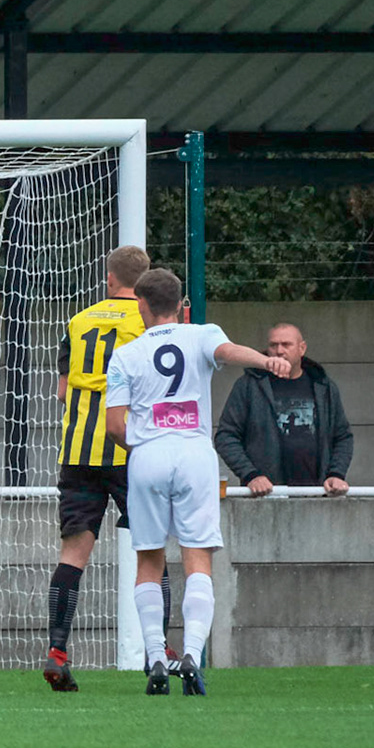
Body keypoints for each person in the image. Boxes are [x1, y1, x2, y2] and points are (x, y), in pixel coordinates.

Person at [104, 269, 291, 696]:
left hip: (148, 456)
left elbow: (116, 427)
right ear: (181, 306)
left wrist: (147, 445)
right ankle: (191, 654)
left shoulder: (126, 356)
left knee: (149, 561)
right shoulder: (201, 334)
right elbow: (229, 350)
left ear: (142, 307)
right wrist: (268, 361)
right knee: (197, 559)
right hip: (194, 455)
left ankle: (154, 658)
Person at [41, 244, 150, 692]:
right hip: (130, 450)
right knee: (151, 553)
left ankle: (57, 650)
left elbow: (65, 392)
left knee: (73, 554)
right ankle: (157, 655)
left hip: (78, 452)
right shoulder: (151, 323)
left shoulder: (79, 320)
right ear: (144, 283)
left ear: (109, 278)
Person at [215, 322, 355, 499]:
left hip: (318, 495)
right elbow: (226, 437)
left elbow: (343, 437)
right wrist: (251, 475)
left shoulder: (324, 387)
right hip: (265, 497)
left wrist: (336, 474)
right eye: (273, 345)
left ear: (302, 348)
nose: (279, 351)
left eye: (286, 344)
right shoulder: (248, 386)